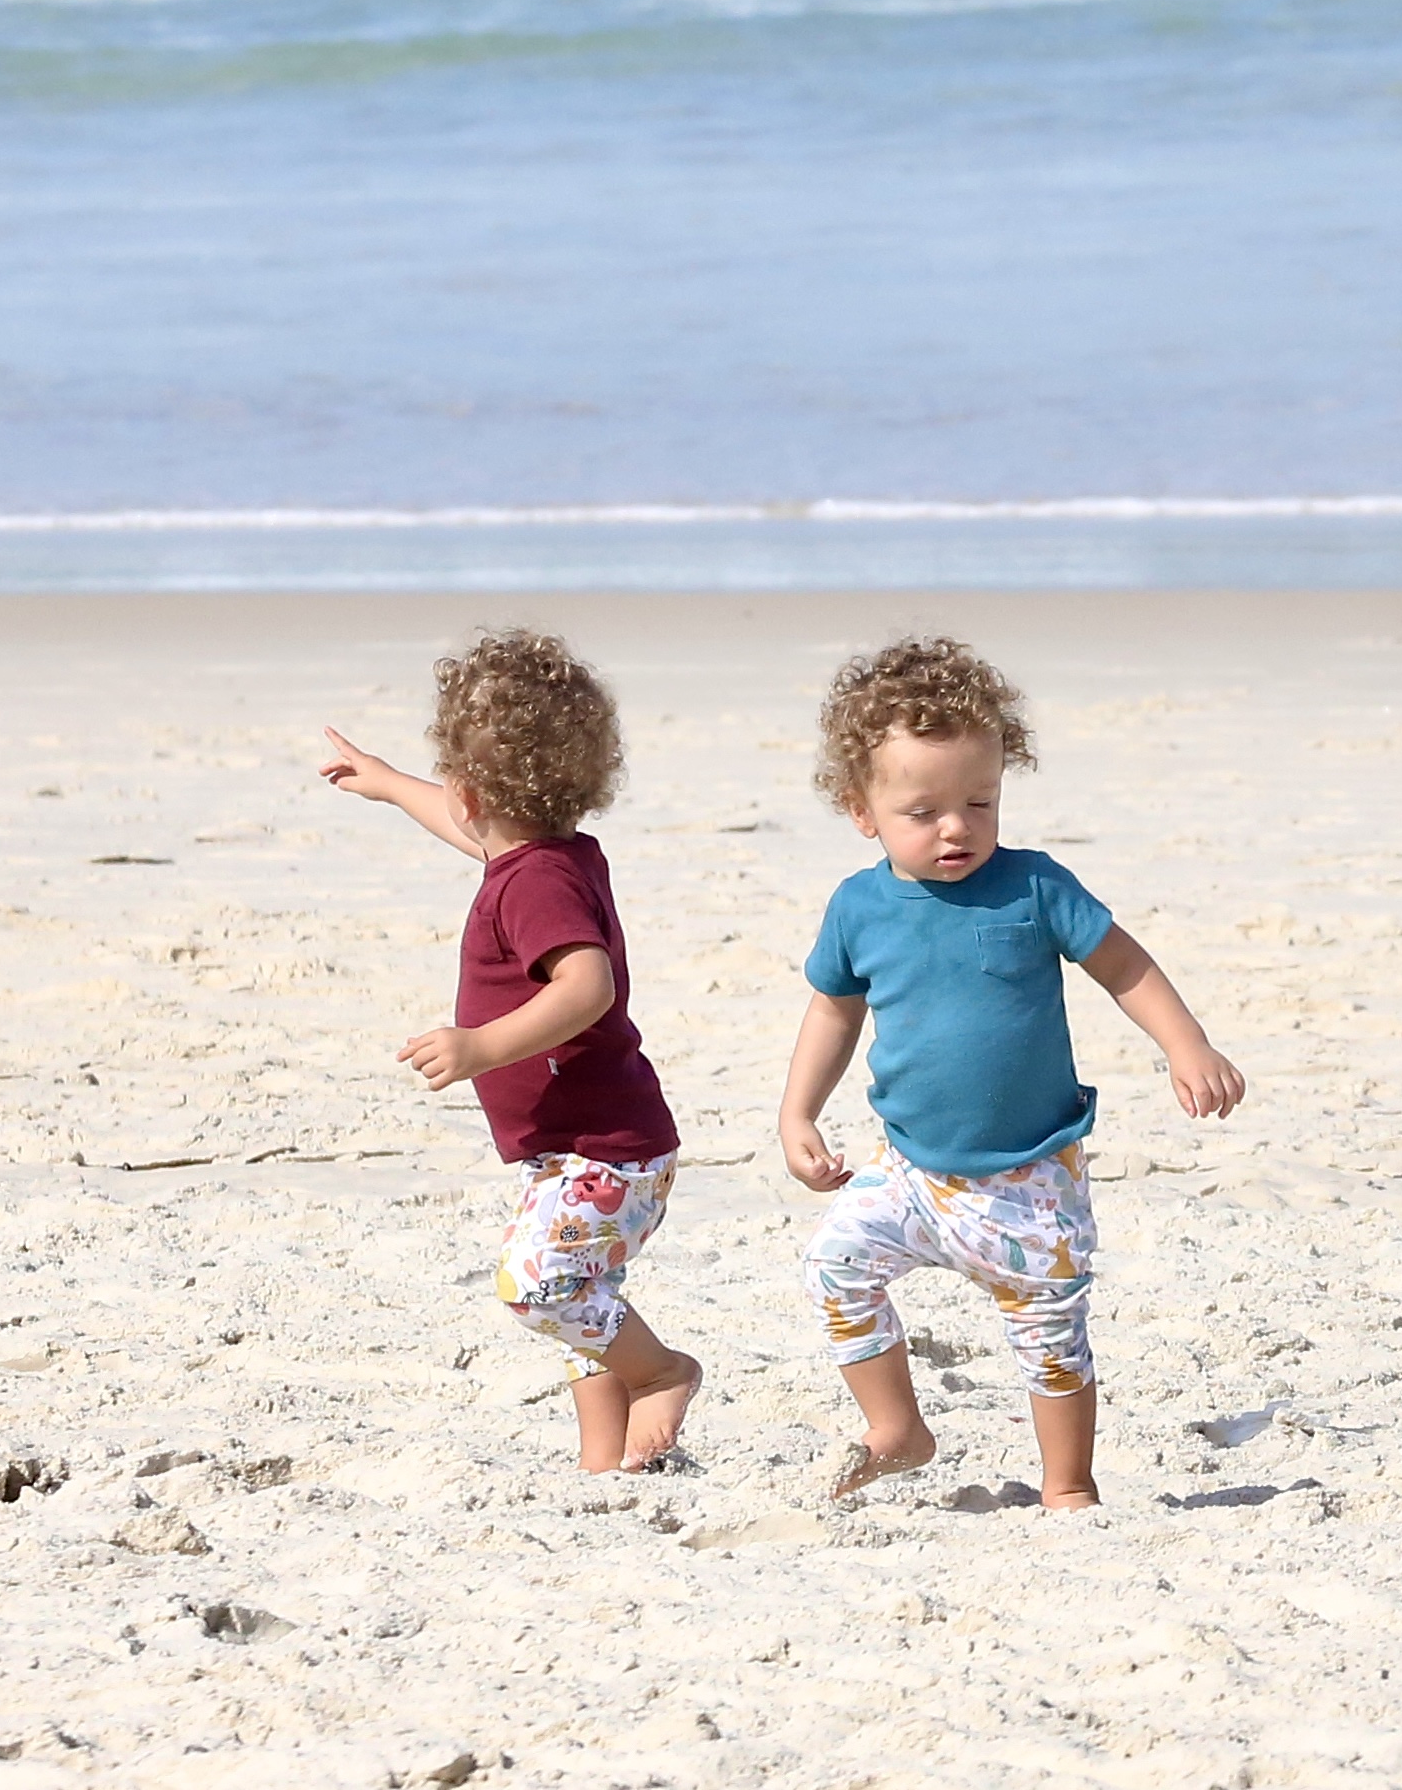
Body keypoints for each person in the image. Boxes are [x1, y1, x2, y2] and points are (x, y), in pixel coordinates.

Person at [778, 636, 1246, 1509]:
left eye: (980, 801)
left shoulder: (1032, 887)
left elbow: (1125, 965)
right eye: (924, 811)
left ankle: (1068, 1483)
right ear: (862, 809)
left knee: (1051, 1337)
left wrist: (1186, 1044)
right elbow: (833, 1010)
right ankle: (897, 1427)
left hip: (1030, 1176)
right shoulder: (859, 906)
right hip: (912, 1169)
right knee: (834, 1263)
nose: (956, 826)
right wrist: (798, 1110)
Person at [319, 628, 701, 1474]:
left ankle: (666, 1372)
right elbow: (470, 831)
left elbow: (586, 987)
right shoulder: (541, 850)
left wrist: (479, 1045)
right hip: (594, 1145)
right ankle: (608, 1463)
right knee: (581, 1305)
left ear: (469, 789)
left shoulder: (533, 882)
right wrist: (384, 784)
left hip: (606, 1153)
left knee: (536, 1283)